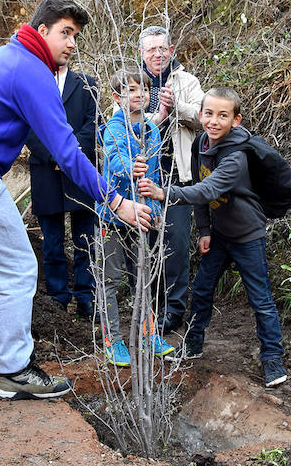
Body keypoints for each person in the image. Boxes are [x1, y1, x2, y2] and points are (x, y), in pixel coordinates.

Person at [0, 0, 151, 401]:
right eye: (66, 33)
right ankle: (14, 370)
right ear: (42, 31)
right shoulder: (31, 70)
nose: (72, 43)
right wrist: (115, 202)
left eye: (75, 35)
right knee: (20, 268)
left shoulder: (3, 59)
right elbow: (66, 150)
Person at [138, 87, 288, 387]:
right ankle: (192, 345)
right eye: (208, 114)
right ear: (200, 114)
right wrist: (205, 230)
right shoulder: (201, 144)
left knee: (260, 299)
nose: (214, 121)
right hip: (219, 235)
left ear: (236, 120)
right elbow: (198, 187)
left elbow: (208, 190)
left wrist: (164, 192)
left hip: (248, 236)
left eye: (223, 115)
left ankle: (272, 360)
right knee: (203, 290)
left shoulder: (236, 156)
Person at [97, 68, 175, 366]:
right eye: (130, 90)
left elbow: (153, 174)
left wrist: (154, 208)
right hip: (114, 217)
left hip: (141, 217)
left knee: (142, 276)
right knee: (111, 279)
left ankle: (148, 334)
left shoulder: (153, 131)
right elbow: (116, 162)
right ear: (117, 97)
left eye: (143, 89)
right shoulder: (113, 127)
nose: (138, 94)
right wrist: (133, 167)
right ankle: (113, 340)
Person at [137, 26, 205, 334]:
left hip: (179, 174)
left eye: (162, 48)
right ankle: (148, 310)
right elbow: (122, 126)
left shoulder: (187, 81)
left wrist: (176, 104)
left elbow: (204, 118)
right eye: (151, 49)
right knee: (148, 244)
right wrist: (159, 116)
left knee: (176, 244)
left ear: (172, 49)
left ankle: (173, 312)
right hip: (144, 177)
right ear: (142, 53)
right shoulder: (132, 83)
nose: (157, 54)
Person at [25, 58, 97, 318]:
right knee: (52, 242)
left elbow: (93, 123)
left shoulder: (86, 84)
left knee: (85, 239)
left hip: (80, 167)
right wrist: (55, 156)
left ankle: (85, 297)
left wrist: (71, 154)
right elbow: (28, 127)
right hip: (46, 170)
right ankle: (58, 297)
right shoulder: (32, 85)